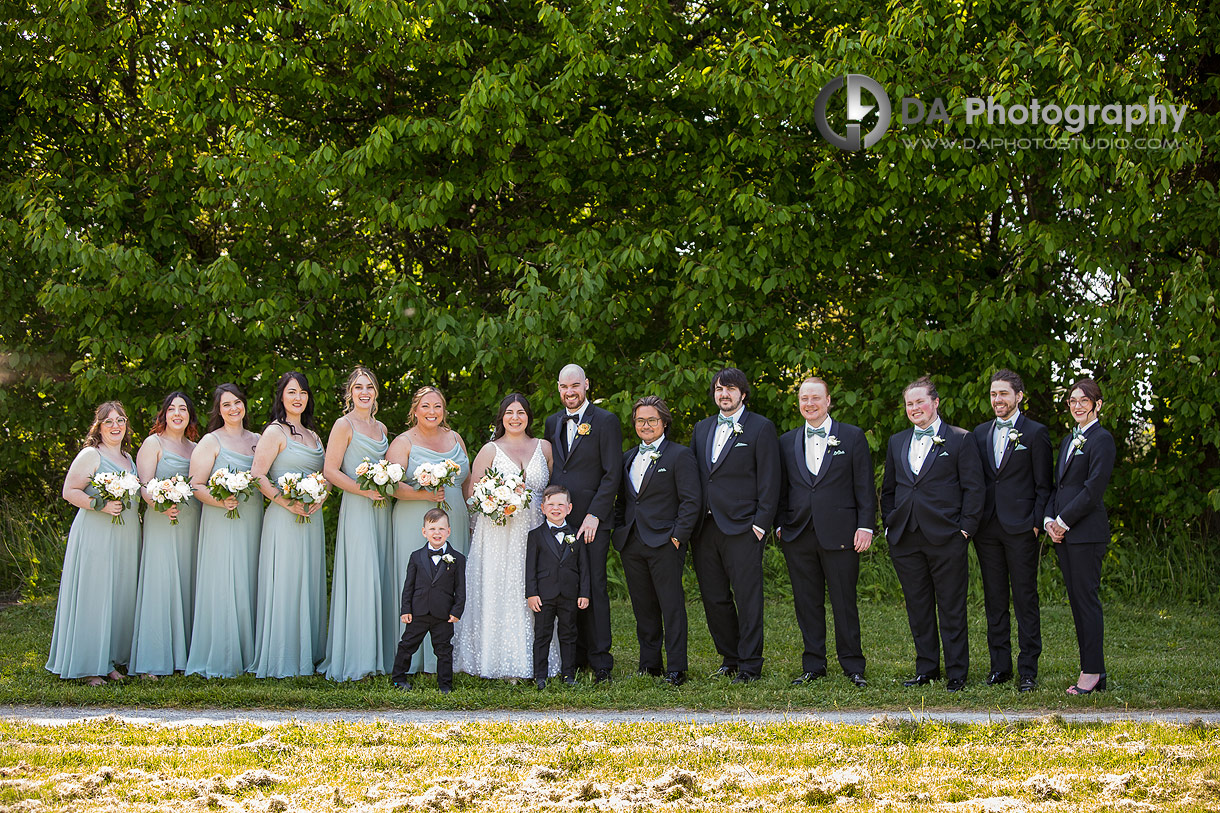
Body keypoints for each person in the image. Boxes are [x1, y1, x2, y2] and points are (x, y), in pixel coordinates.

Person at [881, 376, 985, 692]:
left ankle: (956, 672)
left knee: (951, 607)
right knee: (918, 606)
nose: (915, 408)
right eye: (909, 404)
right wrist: (889, 524)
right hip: (906, 538)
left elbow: (974, 488)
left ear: (935, 403)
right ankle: (926, 668)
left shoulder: (960, 439)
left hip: (947, 537)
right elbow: (888, 490)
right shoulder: (897, 441)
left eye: (920, 402)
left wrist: (965, 529)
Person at [775, 377, 874, 688]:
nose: (810, 403)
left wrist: (866, 524)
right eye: (804, 398)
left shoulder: (852, 436)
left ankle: (853, 665)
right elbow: (780, 487)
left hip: (842, 533)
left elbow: (865, 486)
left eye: (816, 398)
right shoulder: (786, 441)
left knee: (844, 601)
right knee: (806, 602)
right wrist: (779, 523)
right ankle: (813, 665)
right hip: (798, 533)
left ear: (829, 400)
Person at [454, 393, 561, 679]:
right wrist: (495, 505)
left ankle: (535, 661)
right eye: (509, 412)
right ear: (502, 417)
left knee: (534, 589)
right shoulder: (490, 450)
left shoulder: (545, 448)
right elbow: (472, 495)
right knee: (502, 590)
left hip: (535, 528)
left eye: (521, 412)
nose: (515, 417)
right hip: (498, 532)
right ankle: (495, 659)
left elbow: (551, 490)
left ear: (529, 416)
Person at [689, 367, 781, 684]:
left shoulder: (760, 428)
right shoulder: (701, 429)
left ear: (743, 393)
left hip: (744, 528)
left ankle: (751, 664)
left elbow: (770, 479)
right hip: (705, 529)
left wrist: (760, 524)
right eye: (718, 389)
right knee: (714, 598)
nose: (724, 394)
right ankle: (730, 658)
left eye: (730, 389)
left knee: (747, 596)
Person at [46, 401, 141, 685]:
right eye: (108, 421)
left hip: (125, 537)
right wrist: (97, 504)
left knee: (117, 597)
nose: (116, 426)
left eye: (121, 420)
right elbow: (69, 491)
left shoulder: (128, 458)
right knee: (95, 596)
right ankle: (89, 666)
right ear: (98, 427)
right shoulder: (91, 454)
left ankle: (109, 661)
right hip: (96, 535)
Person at [972, 369, 1053, 692]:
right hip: (987, 529)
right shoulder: (979, 434)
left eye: (1003, 394)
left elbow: (1044, 485)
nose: (997, 400)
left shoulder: (1035, 433)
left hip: (1021, 528)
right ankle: (1000, 667)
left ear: (1019, 397)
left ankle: (1028, 669)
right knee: (994, 599)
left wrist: (1035, 524)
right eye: (993, 394)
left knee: (1025, 598)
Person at [612, 395, 700, 686]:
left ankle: (677, 667)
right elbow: (624, 501)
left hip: (665, 542)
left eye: (651, 420)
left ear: (664, 422)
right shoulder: (627, 458)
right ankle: (649, 664)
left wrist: (677, 537)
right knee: (643, 606)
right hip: (632, 542)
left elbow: (691, 501)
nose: (646, 425)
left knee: (671, 605)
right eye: (640, 420)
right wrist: (620, 530)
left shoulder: (679, 455)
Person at [543, 364, 622, 682]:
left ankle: (601, 660)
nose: (570, 392)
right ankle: (572, 657)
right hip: (559, 521)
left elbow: (612, 473)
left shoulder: (605, 421)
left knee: (595, 587)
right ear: (558, 388)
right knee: (565, 588)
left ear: (587, 385)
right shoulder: (552, 422)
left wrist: (595, 515)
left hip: (591, 521)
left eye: (575, 385)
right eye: (564, 387)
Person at [249, 371, 330, 678]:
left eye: (303, 393)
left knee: (307, 580)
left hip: (312, 517)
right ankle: (282, 658)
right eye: (292, 392)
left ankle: (307, 655)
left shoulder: (314, 435)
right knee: (285, 581)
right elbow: (258, 475)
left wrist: (320, 497)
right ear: (281, 396)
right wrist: (287, 502)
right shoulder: (274, 432)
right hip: (284, 516)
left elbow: (326, 476)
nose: (298, 398)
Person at [387, 386, 471, 675]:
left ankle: (450, 657)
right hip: (415, 518)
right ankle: (413, 658)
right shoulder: (403, 442)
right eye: (425, 406)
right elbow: (392, 485)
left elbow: (466, 480)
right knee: (420, 583)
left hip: (455, 518)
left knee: (452, 583)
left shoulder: (455, 438)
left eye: (437, 406)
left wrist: (476, 512)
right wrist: (424, 495)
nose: (432, 412)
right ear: (414, 410)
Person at [319, 367, 393, 681]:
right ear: (350, 393)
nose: (364, 392)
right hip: (359, 504)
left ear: (376, 393)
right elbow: (330, 471)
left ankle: (381, 655)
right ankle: (357, 659)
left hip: (382, 507)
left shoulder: (382, 428)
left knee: (379, 574)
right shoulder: (343, 424)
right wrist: (363, 489)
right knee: (361, 576)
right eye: (358, 387)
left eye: (370, 387)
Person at [186, 384, 263, 678]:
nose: (233, 409)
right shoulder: (210, 441)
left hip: (253, 516)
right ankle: (223, 655)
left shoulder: (257, 440)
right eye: (226, 405)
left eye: (238, 403)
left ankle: (250, 653)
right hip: (223, 517)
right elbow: (196, 485)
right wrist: (221, 501)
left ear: (244, 405)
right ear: (219, 410)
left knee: (249, 578)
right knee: (225, 581)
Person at [1044, 378, 1116, 696]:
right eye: (1072, 400)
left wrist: (1062, 521)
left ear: (1097, 405)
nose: (1077, 406)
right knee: (1076, 602)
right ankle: (1093, 668)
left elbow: (1092, 489)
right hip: (1065, 535)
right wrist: (1049, 520)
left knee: (1087, 602)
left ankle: (1092, 673)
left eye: (1083, 400)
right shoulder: (1068, 440)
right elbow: (1057, 486)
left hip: (1086, 534)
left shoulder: (1102, 440)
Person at [130, 391, 202, 678]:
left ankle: (183, 655)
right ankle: (153, 659)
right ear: (163, 414)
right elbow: (143, 484)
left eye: (183, 409)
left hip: (191, 521)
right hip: (162, 520)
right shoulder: (153, 443)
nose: (177, 413)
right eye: (171, 408)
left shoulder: (196, 447)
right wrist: (159, 505)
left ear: (189, 416)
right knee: (161, 584)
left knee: (186, 581)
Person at [391, 509, 466, 694]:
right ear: (424, 532)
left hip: (444, 614)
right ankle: (398, 679)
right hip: (418, 612)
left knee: (444, 650)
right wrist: (405, 609)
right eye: (432, 528)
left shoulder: (458, 558)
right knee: (407, 645)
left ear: (449, 531)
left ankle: (445, 685)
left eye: (441, 528)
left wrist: (457, 611)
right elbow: (408, 586)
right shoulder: (416, 557)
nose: (437, 533)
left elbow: (461, 589)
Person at [527, 485, 591, 689]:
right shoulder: (535, 535)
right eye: (551, 504)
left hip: (569, 594)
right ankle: (540, 675)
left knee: (569, 634)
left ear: (569, 508)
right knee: (542, 634)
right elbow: (530, 568)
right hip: (544, 595)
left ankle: (568, 674)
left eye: (560, 504)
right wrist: (531, 593)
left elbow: (584, 567)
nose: (556, 508)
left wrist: (584, 593)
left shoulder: (576, 534)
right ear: (542, 508)